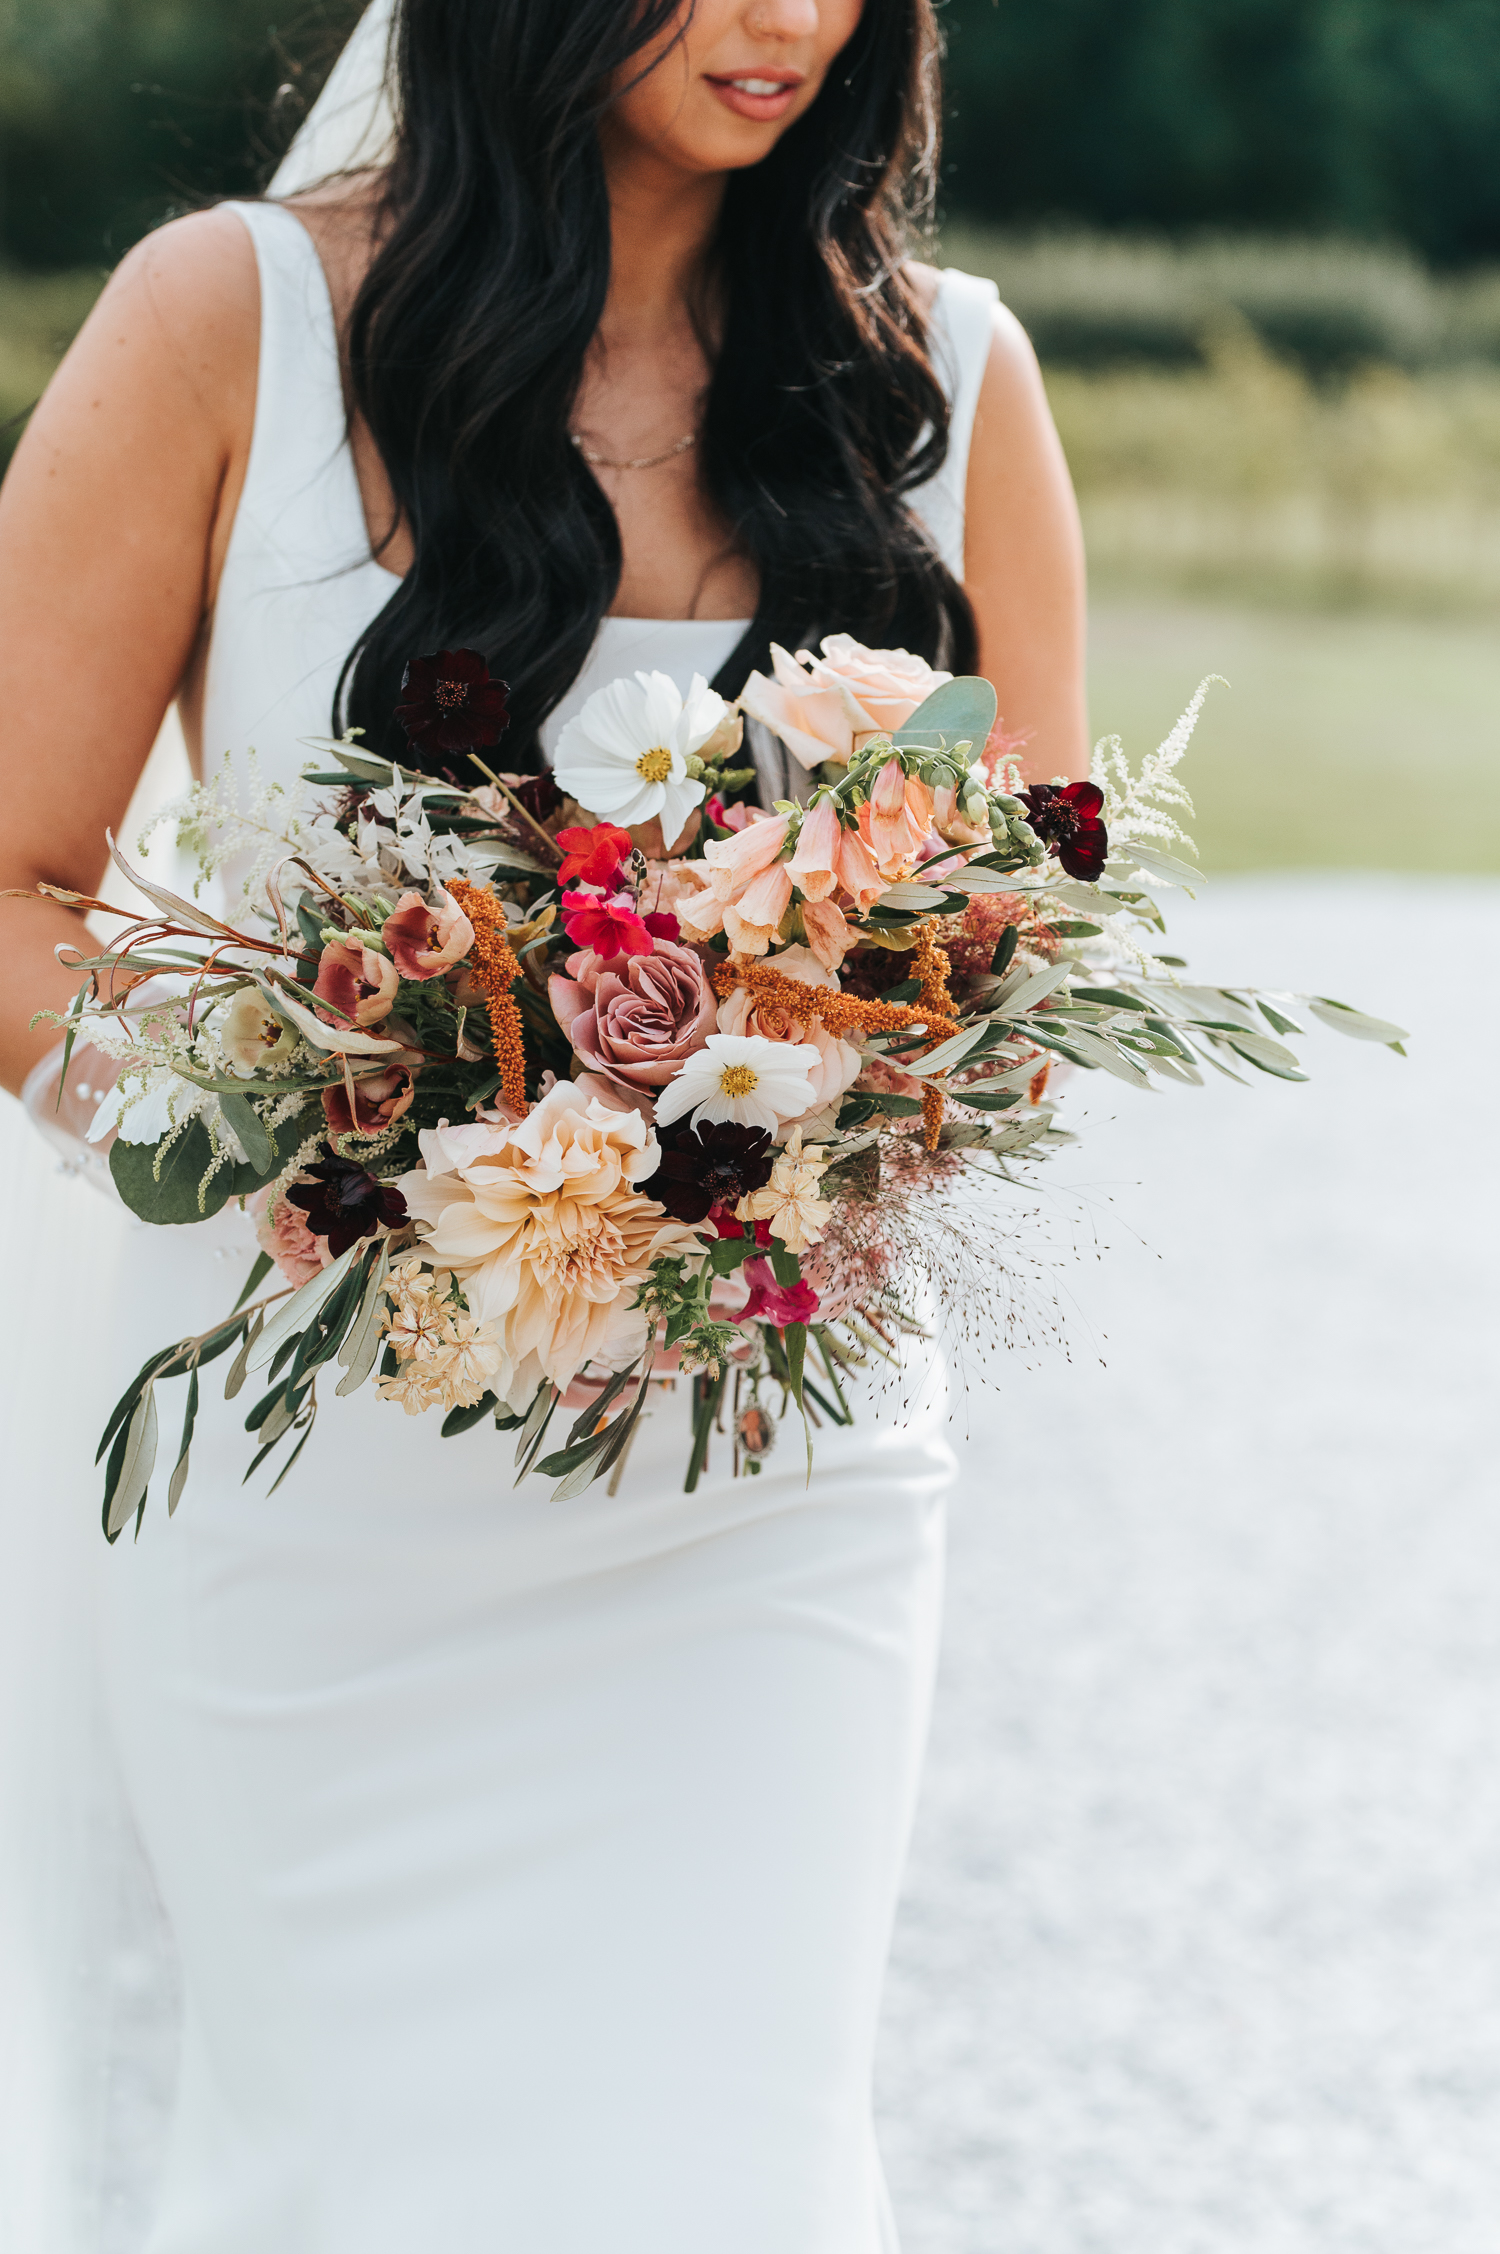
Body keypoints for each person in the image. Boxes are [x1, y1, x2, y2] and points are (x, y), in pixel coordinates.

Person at [0, 1, 1087, 2245]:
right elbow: (14, 883)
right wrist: (322, 1140)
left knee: (734, 2160)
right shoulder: (236, 322)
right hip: (321, 1480)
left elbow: (1024, 947)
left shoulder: (948, 378)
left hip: (767, 1491)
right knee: (355, 2163)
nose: (796, 17)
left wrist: (817, 1105)